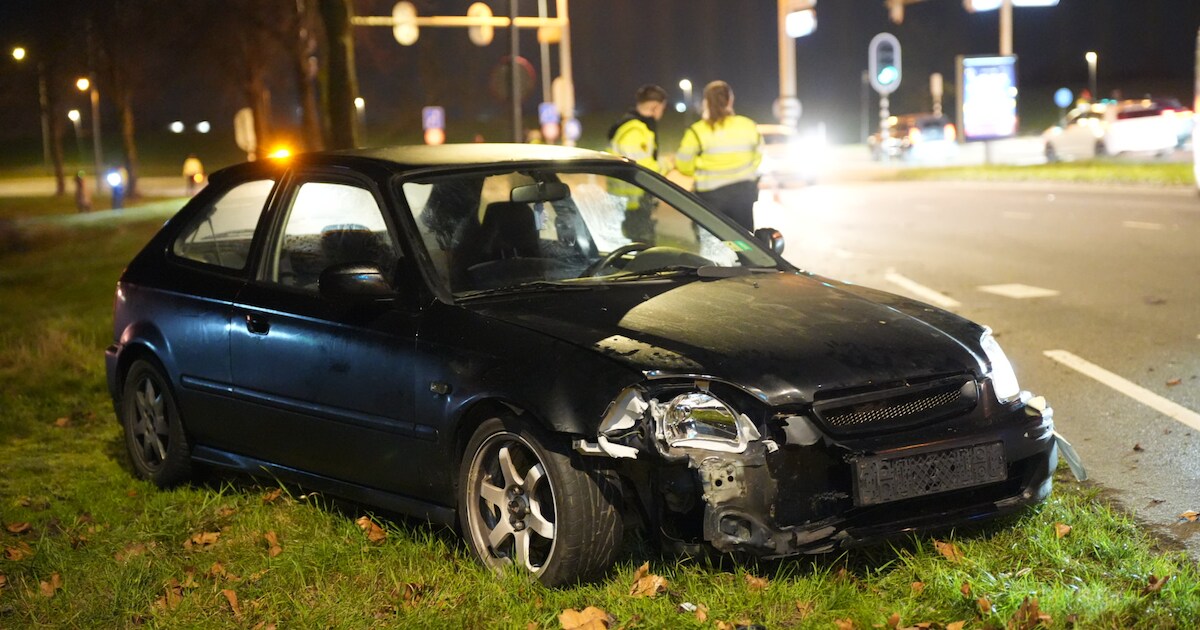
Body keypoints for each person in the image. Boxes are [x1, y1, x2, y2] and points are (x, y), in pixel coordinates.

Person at [674, 80, 762, 232]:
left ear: (706, 102)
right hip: (743, 194)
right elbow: (759, 156)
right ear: (730, 100)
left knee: (713, 245)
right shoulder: (748, 125)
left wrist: (698, 170)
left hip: (711, 197)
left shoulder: (697, 131)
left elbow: (683, 164)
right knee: (743, 245)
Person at [607, 85, 667, 243]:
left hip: (632, 201)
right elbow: (639, 166)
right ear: (655, 107)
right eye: (662, 108)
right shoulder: (634, 131)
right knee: (641, 249)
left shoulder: (637, 127)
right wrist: (666, 165)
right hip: (631, 203)